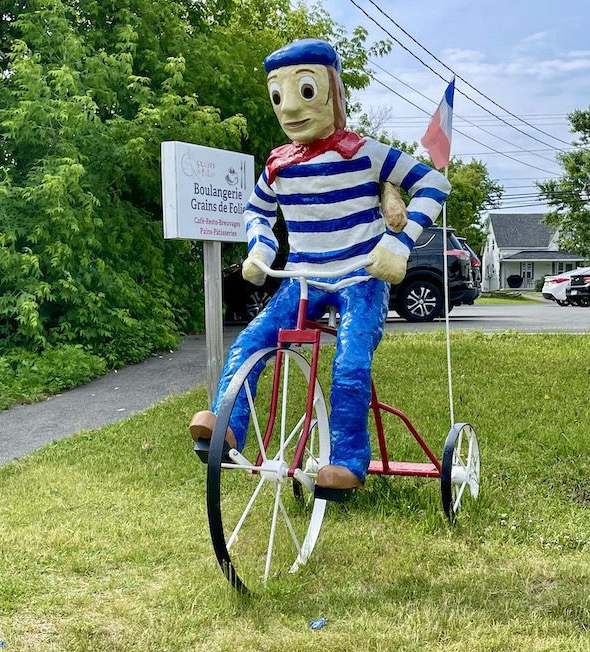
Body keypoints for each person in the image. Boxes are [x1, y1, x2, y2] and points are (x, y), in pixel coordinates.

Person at [190, 38, 450, 491]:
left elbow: (433, 182)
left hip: (361, 276)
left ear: (333, 89)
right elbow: (256, 211)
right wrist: (261, 249)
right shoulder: (278, 165)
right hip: (303, 276)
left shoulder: (366, 152)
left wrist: (400, 242)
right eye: (278, 96)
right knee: (253, 339)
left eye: (304, 91)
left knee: (350, 362)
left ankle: (348, 462)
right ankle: (229, 425)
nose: (290, 108)